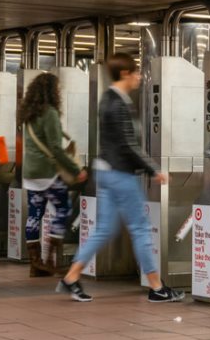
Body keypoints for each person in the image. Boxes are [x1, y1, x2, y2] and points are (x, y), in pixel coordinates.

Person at [57, 53, 183, 303]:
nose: (138, 77)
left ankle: (71, 278)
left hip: (106, 172)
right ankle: (157, 287)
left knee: (103, 229)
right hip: (121, 174)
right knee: (140, 228)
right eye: (136, 72)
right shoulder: (118, 103)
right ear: (125, 74)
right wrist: (153, 169)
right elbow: (128, 144)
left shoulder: (109, 99)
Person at [20, 72, 86, 277]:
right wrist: (77, 170)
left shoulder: (27, 115)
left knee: (34, 214)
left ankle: (35, 263)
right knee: (63, 208)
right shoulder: (49, 113)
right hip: (47, 173)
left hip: (30, 173)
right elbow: (56, 148)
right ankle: (49, 259)